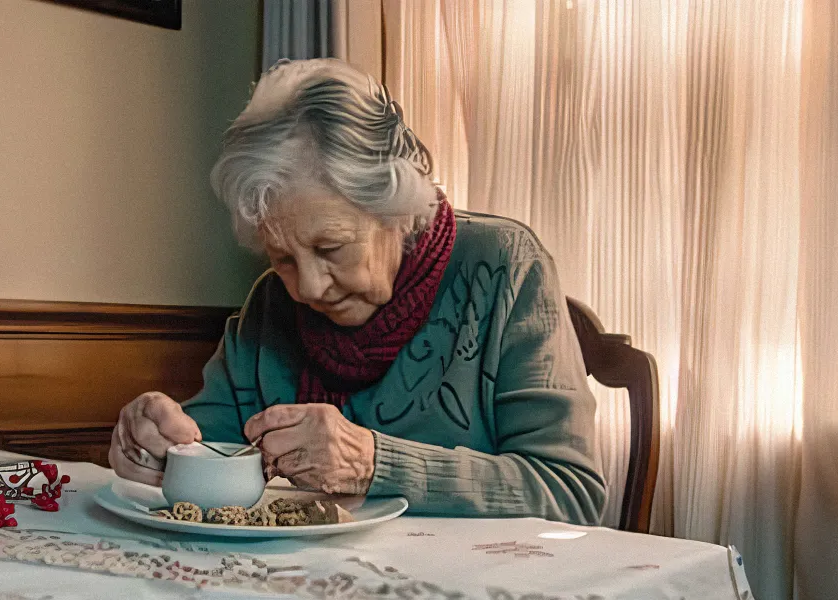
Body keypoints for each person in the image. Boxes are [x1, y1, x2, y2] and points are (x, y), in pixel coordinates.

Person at [109, 58, 605, 525]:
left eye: (331, 247)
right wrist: (155, 444)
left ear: (396, 210)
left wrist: (376, 464)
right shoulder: (270, 303)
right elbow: (205, 447)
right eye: (281, 258)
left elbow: (571, 491)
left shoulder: (504, 266)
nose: (307, 287)